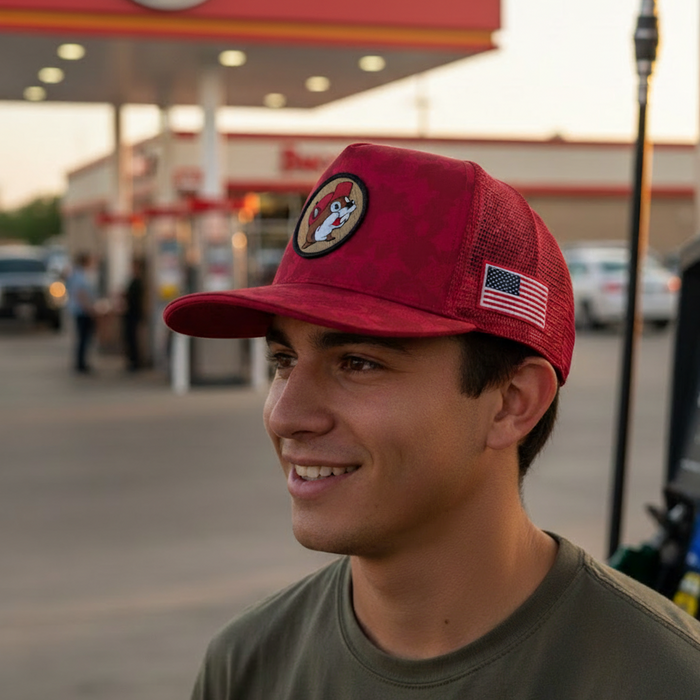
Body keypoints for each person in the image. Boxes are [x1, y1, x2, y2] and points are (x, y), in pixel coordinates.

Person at [164, 144, 700, 699]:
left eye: (357, 363)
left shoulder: (665, 679)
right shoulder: (247, 667)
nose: (285, 415)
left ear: (512, 401)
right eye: (283, 361)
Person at [66, 251, 97, 374]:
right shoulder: (79, 276)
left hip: (80, 310)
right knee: (84, 337)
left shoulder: (76, 274)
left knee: (83, 338)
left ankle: (81, 362)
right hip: (82, 311)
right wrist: (89, 308)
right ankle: (81, 364)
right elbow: (81, 294)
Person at [122, 257, 145, 372]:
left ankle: (135, 362)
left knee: (133, 338)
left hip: (134, 313)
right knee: (129, 338)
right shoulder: (133, 280)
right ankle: (132, 360)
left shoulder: (138, 282)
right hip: (130, 313)